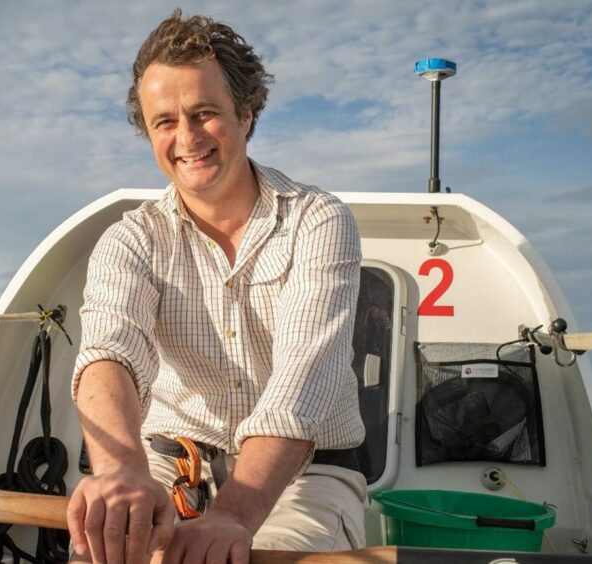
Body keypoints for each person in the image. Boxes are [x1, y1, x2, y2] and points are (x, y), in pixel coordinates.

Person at [67, 10, 367, 564]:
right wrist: (121, 473)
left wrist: (233, 515)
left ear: (247, 115)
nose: (186, 138)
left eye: (204, 114)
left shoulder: (318, 220)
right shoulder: (131, 239)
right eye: (164, 122)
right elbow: (108, 352)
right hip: (172, 463)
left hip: (309, 471)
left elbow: (306, 377)